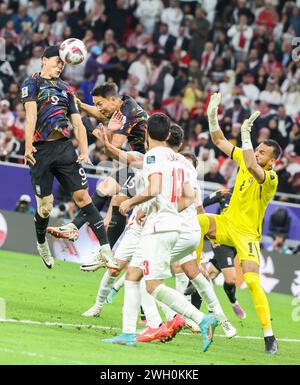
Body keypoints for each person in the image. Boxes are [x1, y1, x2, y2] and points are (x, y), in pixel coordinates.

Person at [102, 113, 218, 352]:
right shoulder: (180, 160)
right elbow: (188, 196)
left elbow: (153, 188)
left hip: (158, 228)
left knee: (152, 285)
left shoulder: (153, 156)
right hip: (172, 224)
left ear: (146, 135)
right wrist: (167, 208)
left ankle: (201, 319)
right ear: (167, 135)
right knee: (134, 275)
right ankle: (127, 333)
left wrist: (131, 203)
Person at [197, 92, 281, 354]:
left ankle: (269, 336)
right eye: (257, 149)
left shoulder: (270, 178)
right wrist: (212, 116)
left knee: (253, 281)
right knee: (198, 221)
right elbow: (218, 140)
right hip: (227, 223)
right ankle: (193, 272)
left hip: (247, 235)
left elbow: (253, 167)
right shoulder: (245, 160)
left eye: (262, 152)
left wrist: (246, 136)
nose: (257, 153)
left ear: (271, 160)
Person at [21, 46, 118, 270]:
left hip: (64, 149)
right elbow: (31, 116)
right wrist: (27, 146)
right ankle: (41, 242)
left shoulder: (66, 88)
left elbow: (77, 123)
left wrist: (84, 151)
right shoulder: (32, 83)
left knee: (83, 198)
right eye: (57, 61)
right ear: (44, 60)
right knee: (45, 207)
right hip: (40, 151)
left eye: (63, 63)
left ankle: (106, 251)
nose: (60, 65)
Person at [47, 83, 148, 255]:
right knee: (105, 190)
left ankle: (103, 250)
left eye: (100, 103)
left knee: (116, 200)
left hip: (146, 164)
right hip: (136, 161)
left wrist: (93, 130)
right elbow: (101, 114)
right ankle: (79, 230)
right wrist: (80, 105)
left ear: (113, 99)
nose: (99, 108)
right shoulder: (123, 106)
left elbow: (112, 147)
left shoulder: (127, 113)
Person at [188, 188, 247, 319]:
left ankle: (194, 312)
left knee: (208, 274)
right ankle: (231, 303)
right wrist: (210, 230)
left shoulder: (250, 196)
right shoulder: (225, 193)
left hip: (237, 243)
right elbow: (201, 205)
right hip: (221, 241)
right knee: (231, 279)